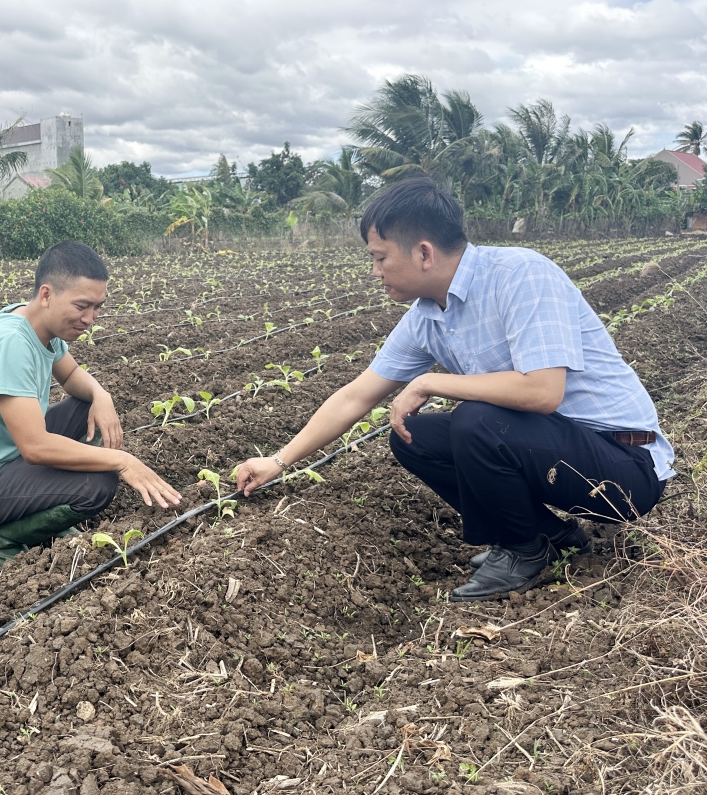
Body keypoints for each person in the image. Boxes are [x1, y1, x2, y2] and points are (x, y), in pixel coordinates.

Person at [234, 177, 673, 602]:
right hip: (557, 454)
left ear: (424, 252)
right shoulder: (427, 314)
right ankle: (548, 537)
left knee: (476, 419)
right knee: (412, 437)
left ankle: (523, 553)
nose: (374, 272)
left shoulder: (519, 274)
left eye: (380, 258)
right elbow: (357, 395)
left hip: (623, 469)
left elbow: (542, 391)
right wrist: (278, 460)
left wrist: (430, 380)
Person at [0, 240, 182, 565]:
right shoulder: (11, 343)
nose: (90, 318)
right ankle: (3, 536)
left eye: (98, 307)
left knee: (88, 409)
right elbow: (35, 448)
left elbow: (70, 377)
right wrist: (122, 460)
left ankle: (43, 516)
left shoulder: (38, 323)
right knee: (97, 484)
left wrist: (101, 396)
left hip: (6, 456)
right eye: (82, 306)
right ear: (46, 295)